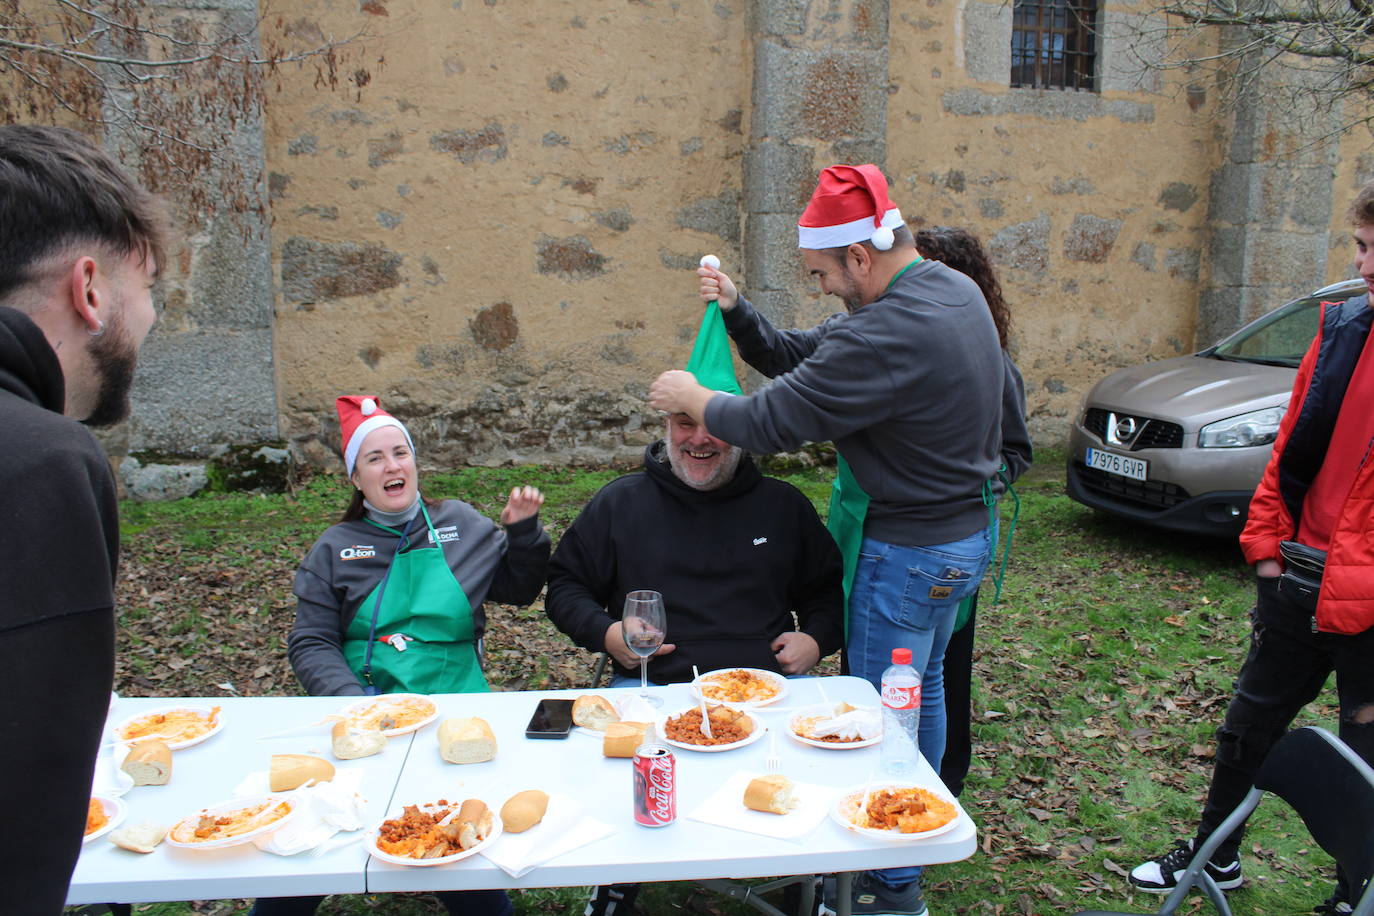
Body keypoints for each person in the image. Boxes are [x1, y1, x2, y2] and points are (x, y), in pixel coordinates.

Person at [649, 164, 1019, 916]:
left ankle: (890, 885)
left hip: (910, 555)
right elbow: (799, 355)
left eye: (821, 272)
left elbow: (774, 421)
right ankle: (919, 834)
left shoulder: (889, 330)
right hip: (963, 542)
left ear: (860, 256)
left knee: (881, 715)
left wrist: (698, 400)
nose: (820, 288)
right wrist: (738, 310)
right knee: (927, 686)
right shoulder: (951, 290)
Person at [1129, 183, 1374, 916]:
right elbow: (1288, 451)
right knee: (1248, 729)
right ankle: (1214, 856)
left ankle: (1355, 892)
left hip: (1367, 605)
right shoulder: (1339, 334)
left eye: (1372, 247)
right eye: (1360, 245)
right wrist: (1267, 549)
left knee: (1364, 765)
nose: (1362, 264)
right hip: (1299, 579)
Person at [254, 395, 550, 916]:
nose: (392, 466)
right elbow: (311, 641)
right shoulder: (334, 547)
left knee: (459, 836)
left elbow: (518, 589)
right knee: (315, 839)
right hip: (367, 712)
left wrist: (523, 534)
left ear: (414, 462)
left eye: (400, 453)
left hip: (458, 711)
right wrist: (354, 706)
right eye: (375, 458)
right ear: (356, 478)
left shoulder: (460, 524)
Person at [0, 124, 168, 915]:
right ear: (91, 288)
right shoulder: (40, 462)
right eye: (150, 286)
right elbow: (30, 795)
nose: (154, 317)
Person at [912, 226, 1032, 797]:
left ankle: (943, 774)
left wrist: (969, 486)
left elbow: (1016, 453)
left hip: (953, 534)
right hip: (886, 533)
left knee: (943, 660)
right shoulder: (900, 348)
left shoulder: (990, 361)